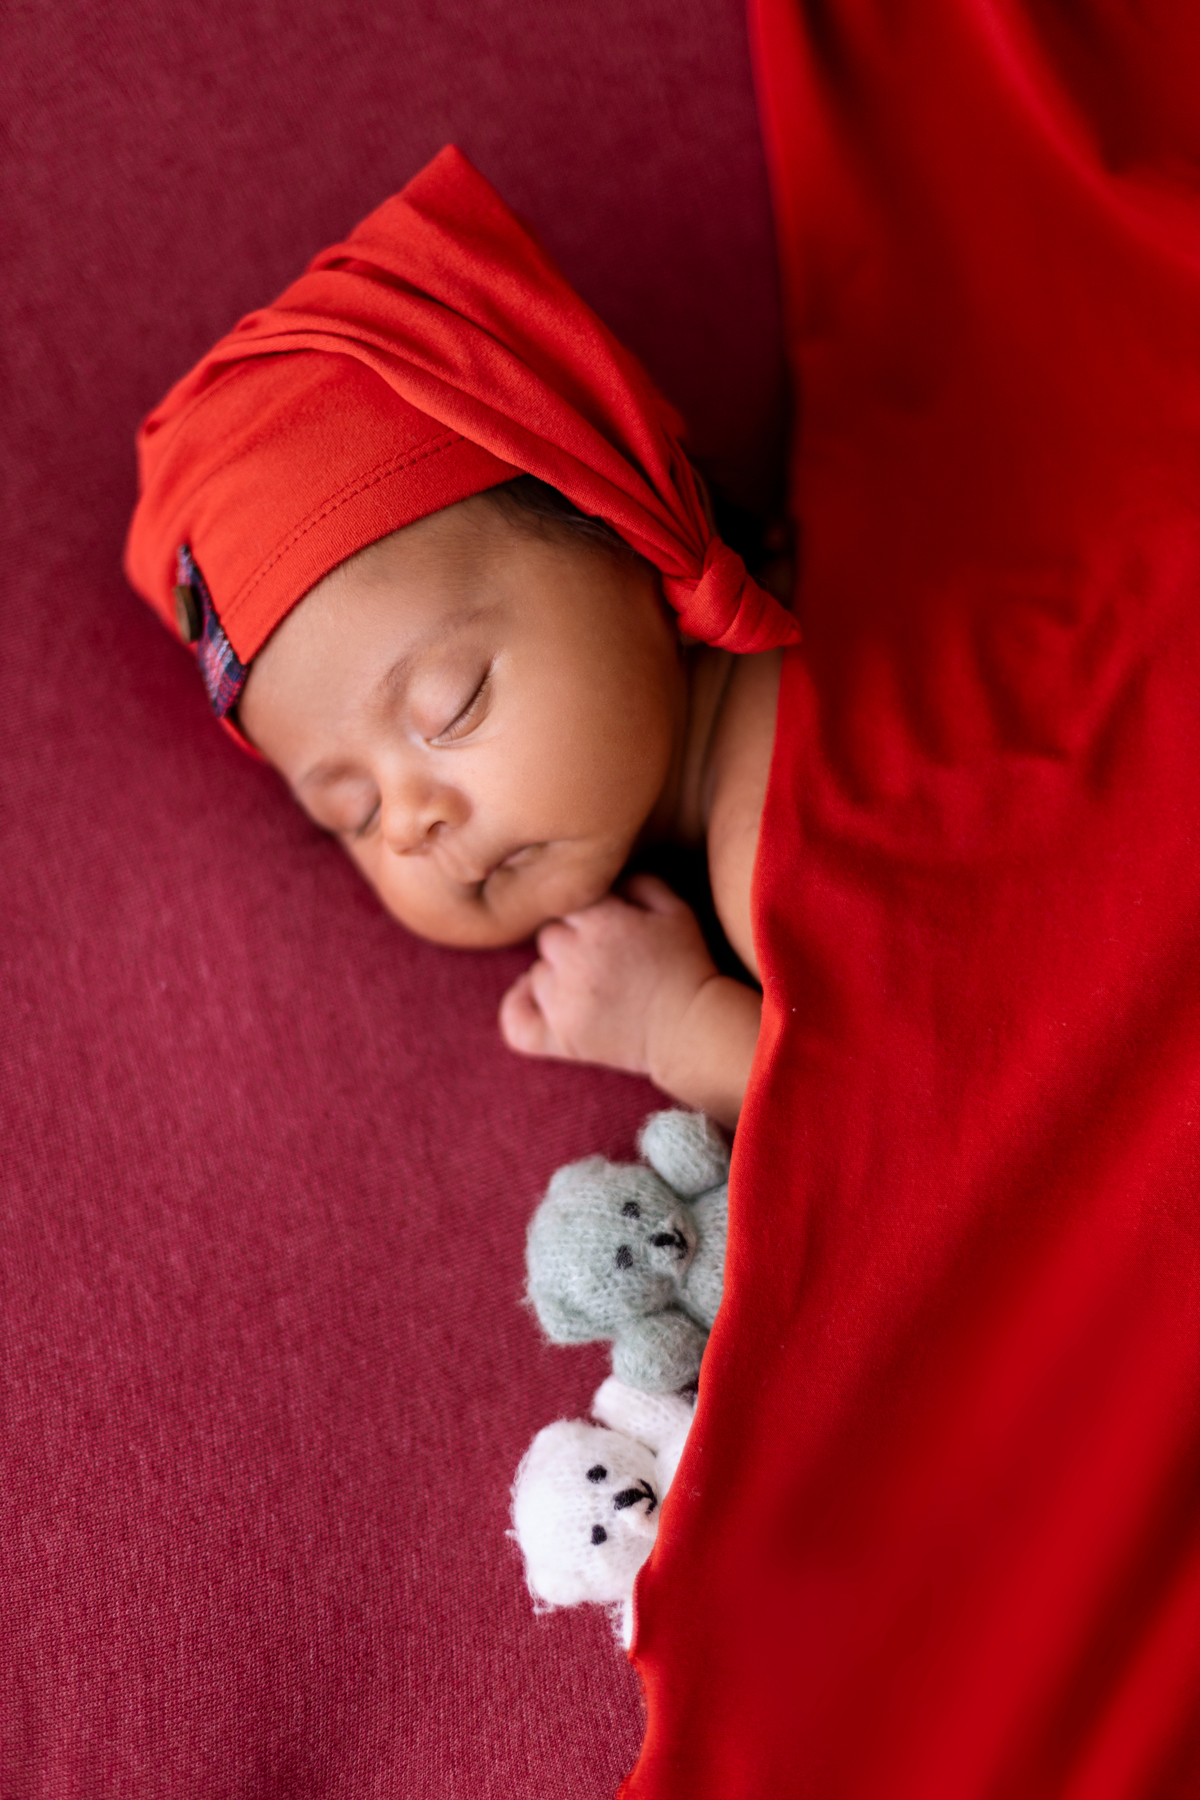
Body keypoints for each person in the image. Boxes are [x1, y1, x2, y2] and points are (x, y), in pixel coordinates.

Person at [125, 146, 799, 1129]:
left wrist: (680, 1026)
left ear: (628, 526)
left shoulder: (775, 833)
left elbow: (904, 1126)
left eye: (454, 707)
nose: (408, 826)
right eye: (349, 817)